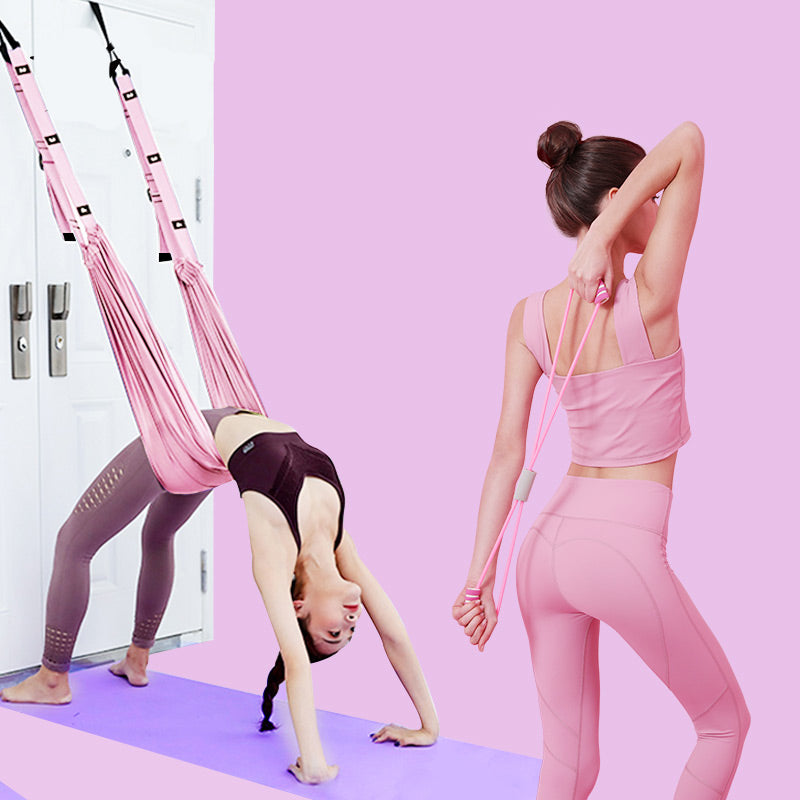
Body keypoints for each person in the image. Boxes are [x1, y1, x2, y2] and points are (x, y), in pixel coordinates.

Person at [452, 121, 749, 799]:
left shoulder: (529, 315)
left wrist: (479, 579)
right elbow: (691, 144)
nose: (657, 208)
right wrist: (613, 226)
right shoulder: (650, 297)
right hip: (620, 550)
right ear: (618, 198)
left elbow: (506, 453)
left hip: (544, 552)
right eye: (644, 198)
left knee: (569, 765)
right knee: (723, 723)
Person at [2, 407, 439, 784]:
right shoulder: (340, 543)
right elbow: (395, 634)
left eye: (333, 631)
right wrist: (428, 727)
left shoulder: (275, 554)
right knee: (159, 533)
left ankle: (53, 679)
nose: (350, 621)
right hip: (218, 452)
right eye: (350, 630)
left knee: (72, 542)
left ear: (298, 607)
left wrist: (316, 763)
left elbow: (296, 661)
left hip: (191, 436)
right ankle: (136, 660)